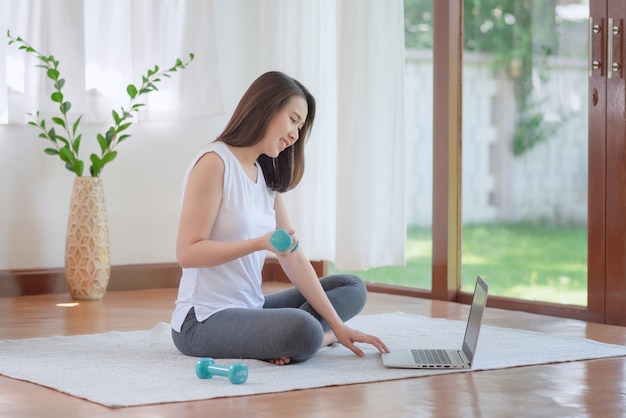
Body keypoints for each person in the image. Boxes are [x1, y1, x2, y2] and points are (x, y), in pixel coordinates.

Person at [171, 71, 389, 365]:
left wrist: (339, 324)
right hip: (201, 321)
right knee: (304, 329)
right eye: (293, 119)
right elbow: (188, 252)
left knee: (351, 287)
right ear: (266, 107)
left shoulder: (266, 177)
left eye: (301, 127)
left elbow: (293, 257)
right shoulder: (214, 163)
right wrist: (259, 243)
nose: (296, 135)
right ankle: (309, 340)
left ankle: (278, 338)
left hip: (251, 307)